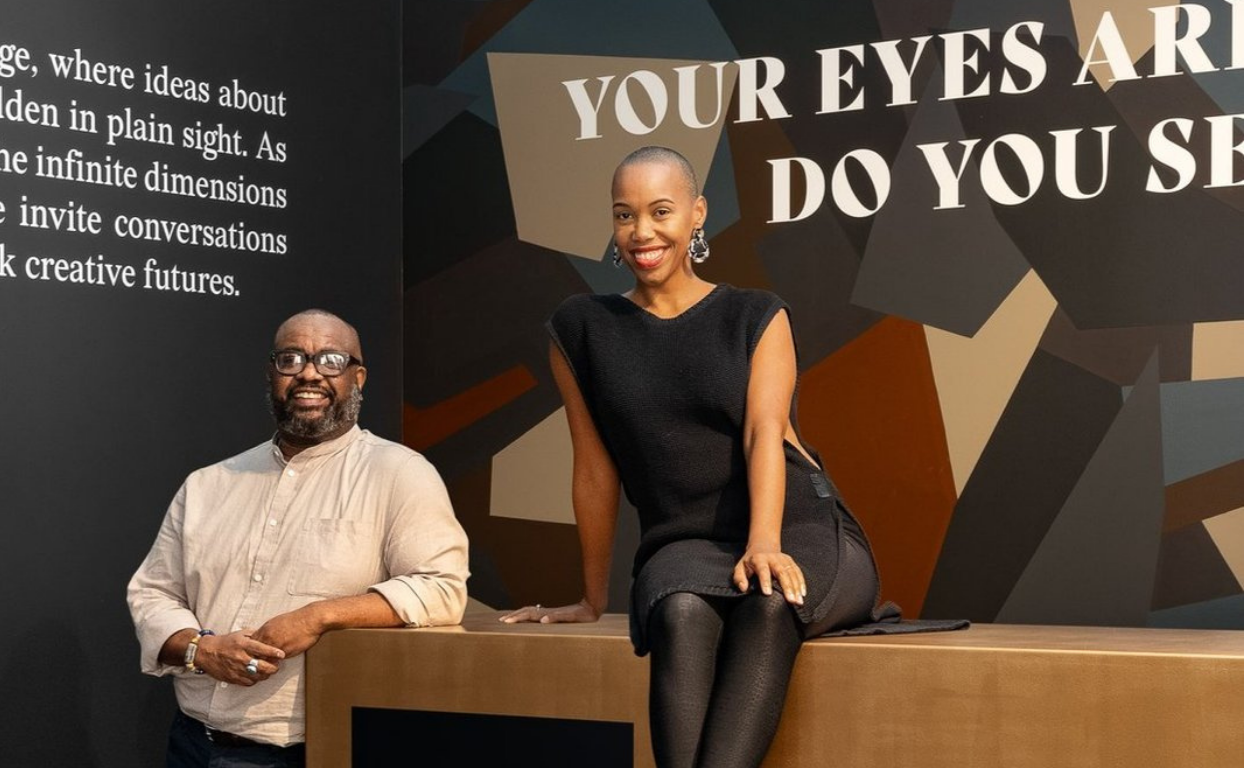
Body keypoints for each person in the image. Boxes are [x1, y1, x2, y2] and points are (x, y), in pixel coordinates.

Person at [501, 146, 882, 768]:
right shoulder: (580, 328)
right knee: (676, 611)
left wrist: (764, 542)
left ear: (697, 214)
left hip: (796, 528)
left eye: (660, 211)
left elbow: (764, 432)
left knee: (767, 603)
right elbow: (593, 469)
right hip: (682, 541)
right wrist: (590, 599)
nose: (642, 232)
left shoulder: (755, 314)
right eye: (625, 215)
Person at [127, 309, 470, 767]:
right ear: (273, 374)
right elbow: (153, 592)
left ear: (358, 376)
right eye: (291, 359)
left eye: (330, 360)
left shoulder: (400, 474)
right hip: (191, 744)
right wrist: (202, 649)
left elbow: (441, 588)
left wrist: (319, 616)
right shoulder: (209, 483)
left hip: (310, 750)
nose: (309, 374)